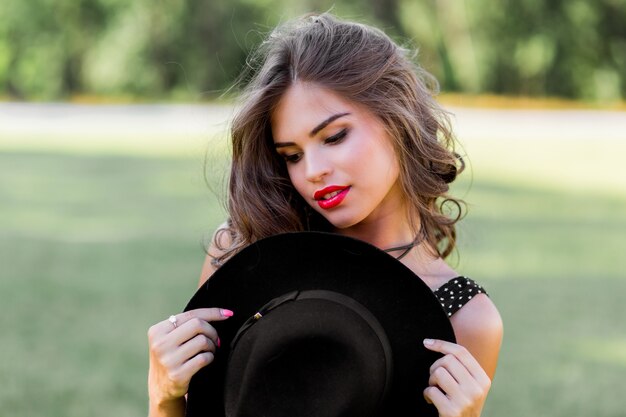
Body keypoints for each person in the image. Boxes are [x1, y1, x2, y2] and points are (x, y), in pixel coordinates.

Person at [148, 12, 503, 417]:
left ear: (398, 117)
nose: (312, 170)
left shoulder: (465, 316)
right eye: (292, 155)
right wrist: (163, 397)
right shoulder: (243, 257)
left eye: (334, 137)